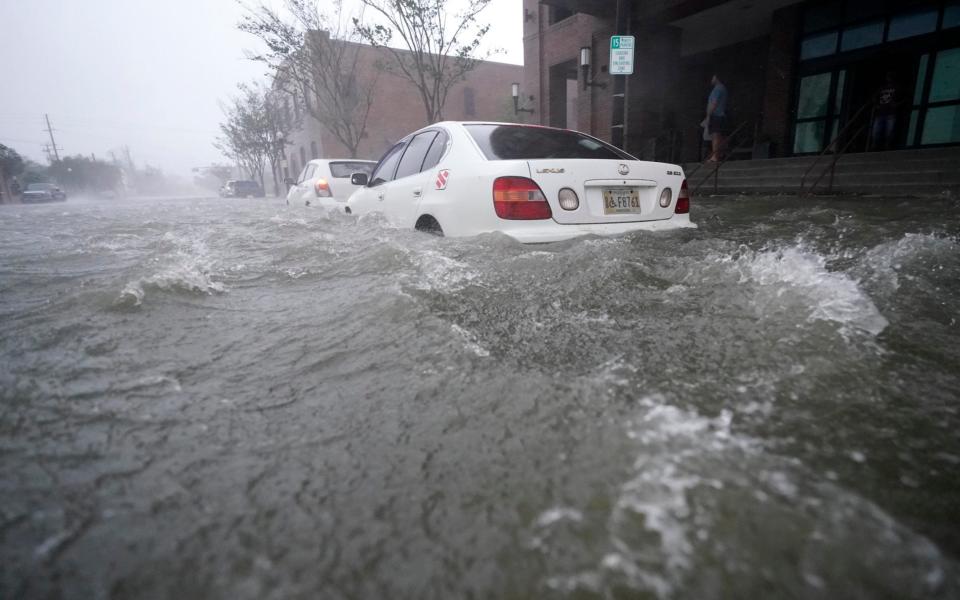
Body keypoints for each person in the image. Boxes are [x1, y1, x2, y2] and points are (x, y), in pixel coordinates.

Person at [871, 72, 899, 151]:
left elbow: (905, 97)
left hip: (891, 112)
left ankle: (887, 145)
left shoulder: (897, 88)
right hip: (880, 113)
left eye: (891, 77)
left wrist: (897, 104)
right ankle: (875, 146)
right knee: (876, 131)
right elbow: (874, 97)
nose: (889, 78)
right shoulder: (882, 88)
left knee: (889, 131)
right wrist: (876, 105)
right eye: (888, 77)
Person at [704, 74, 728, 162]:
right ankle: (719, 154)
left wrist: (708, 115)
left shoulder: (718, 89)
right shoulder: (723, 88)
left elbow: (713, 103)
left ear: (716, 78)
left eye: (713, 77)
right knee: (718, 135)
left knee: (715, 135)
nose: (711, 79)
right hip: (721, 115)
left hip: (716, 115)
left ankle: (715, 156)